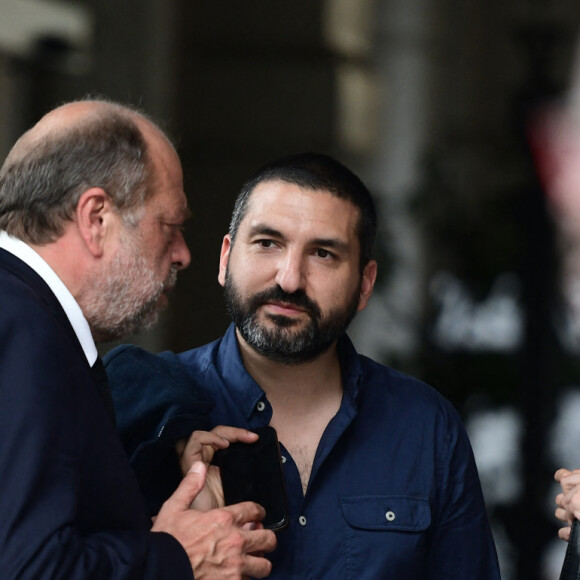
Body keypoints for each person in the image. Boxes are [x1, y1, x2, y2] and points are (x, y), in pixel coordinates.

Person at [105, 152, 501, 579]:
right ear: (225, 259)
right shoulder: (144, 411)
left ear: (364, 284)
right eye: (267, 243)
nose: (289, 279)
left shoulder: (425, 425)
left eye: (324, 254)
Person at [0, 98, 276, 579]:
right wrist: (177, 557)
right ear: (96, 218)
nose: (184, 254)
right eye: (169, 227)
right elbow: (30, 568)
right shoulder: (26, 332)